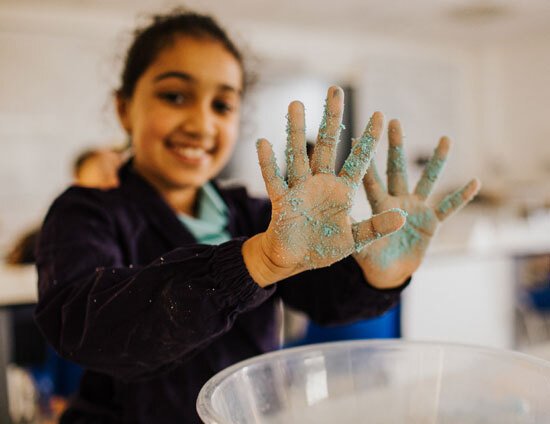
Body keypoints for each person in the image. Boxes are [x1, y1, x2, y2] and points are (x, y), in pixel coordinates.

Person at [34, 9, 480, 423]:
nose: (201, 124)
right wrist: (254, 264)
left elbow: (326, 296)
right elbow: (83, 327)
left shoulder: (251, 213)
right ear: (123, 108)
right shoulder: (86, 212)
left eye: (222, 105)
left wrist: (376, 276)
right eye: (174, 95)